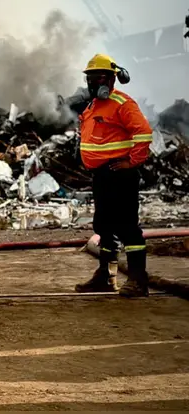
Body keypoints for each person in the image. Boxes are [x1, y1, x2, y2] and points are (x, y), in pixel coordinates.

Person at [75, 54, 153, 297]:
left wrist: (132, 161)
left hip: (120, 176)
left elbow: (144, 133)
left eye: (98, 76)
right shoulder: (93, 106)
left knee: (127, 227)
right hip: (101, 175)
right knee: (104, 226)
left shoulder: (122, 103)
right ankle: (105, 277)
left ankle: (138, 280)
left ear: (112, 79)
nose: (92, 82)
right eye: (90, 77)